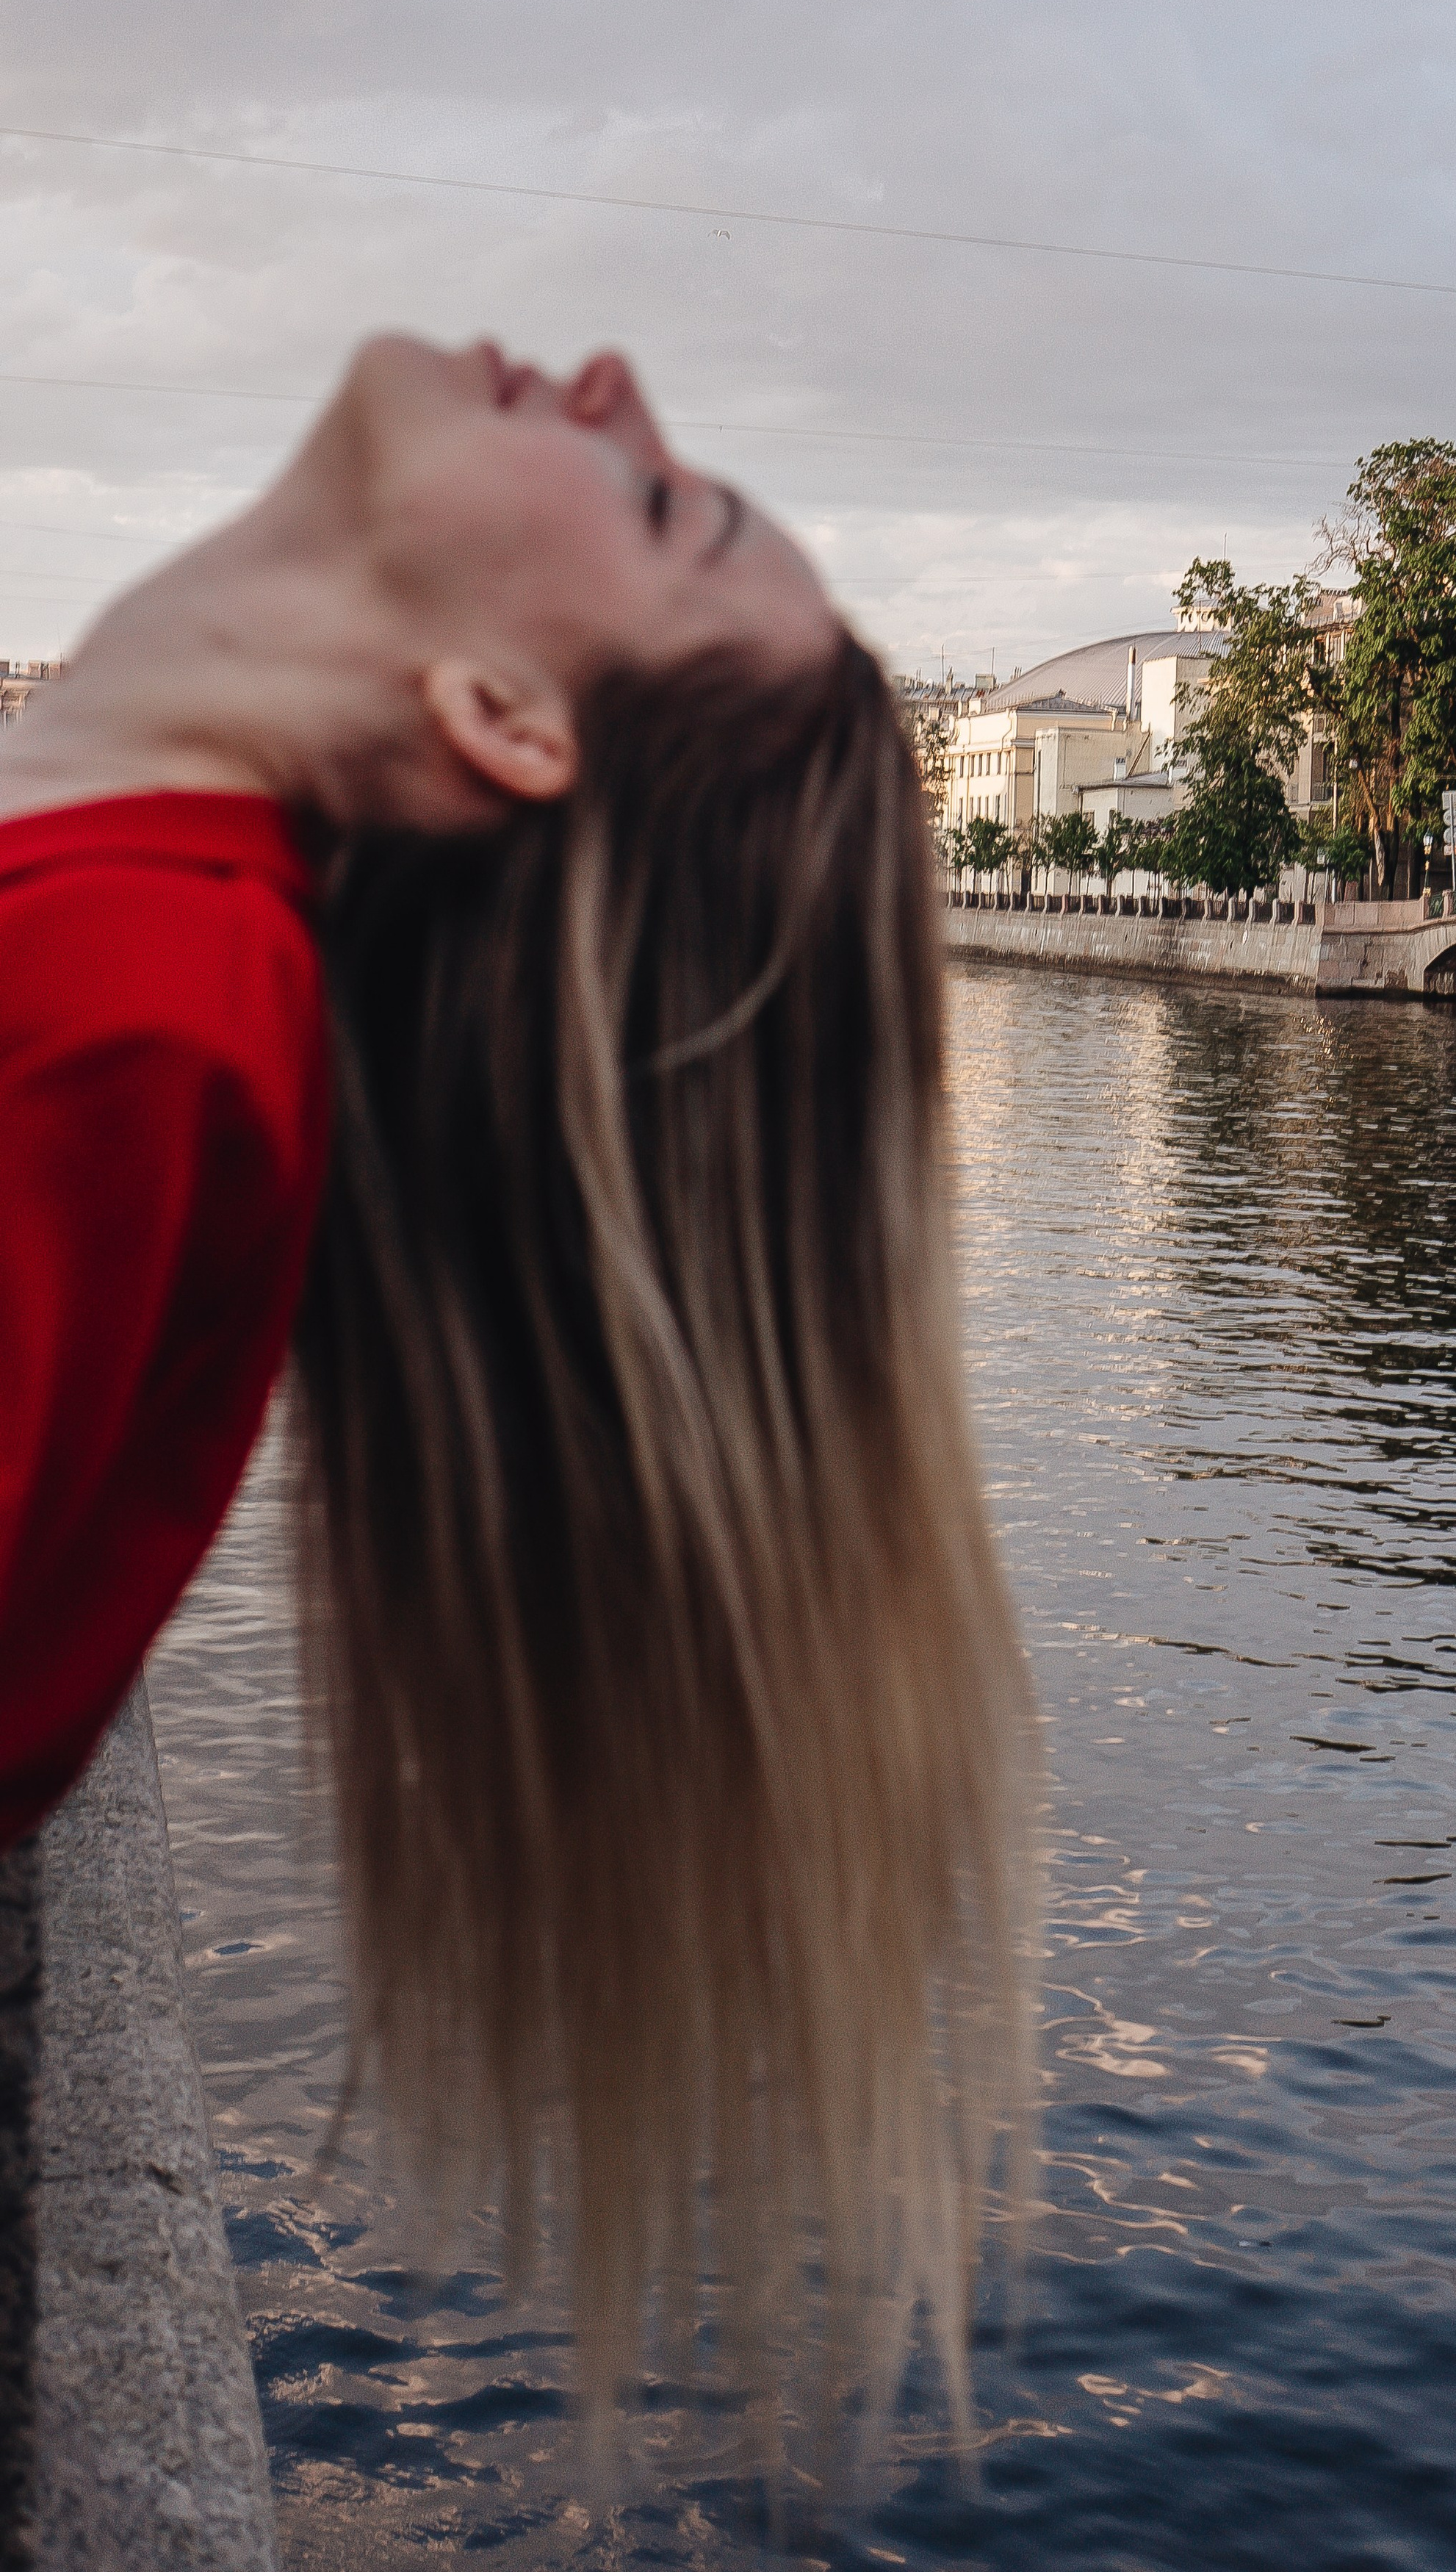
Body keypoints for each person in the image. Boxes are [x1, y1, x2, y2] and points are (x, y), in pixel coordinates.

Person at [0, 335, 1035, 2457]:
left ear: (504, 713)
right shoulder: (122, 949)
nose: (616, 379)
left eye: (660, 508)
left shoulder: (134, 1032)